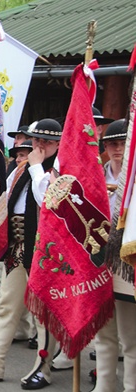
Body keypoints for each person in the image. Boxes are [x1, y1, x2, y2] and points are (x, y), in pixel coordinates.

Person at [0, 118, 62, 390]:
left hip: (46, 252)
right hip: (18, 248)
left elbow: (49, 201)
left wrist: (38, 166)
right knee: (6, 306)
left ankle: (43, 366)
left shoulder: (59, 171)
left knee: (44, 313)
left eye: (47, 142)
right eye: (36, 140)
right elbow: (2, 199)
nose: (40, 146)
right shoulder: (20, 169)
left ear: (57, 145)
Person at [91, 119, 135, 391]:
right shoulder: (96, 175)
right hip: (98, 260)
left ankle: (131, 386)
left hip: (127, 263)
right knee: (104, 332)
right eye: (111, 143)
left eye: (122, 143)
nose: (117, 148)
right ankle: (104, 385)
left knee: (131, 336)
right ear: (104, 146)